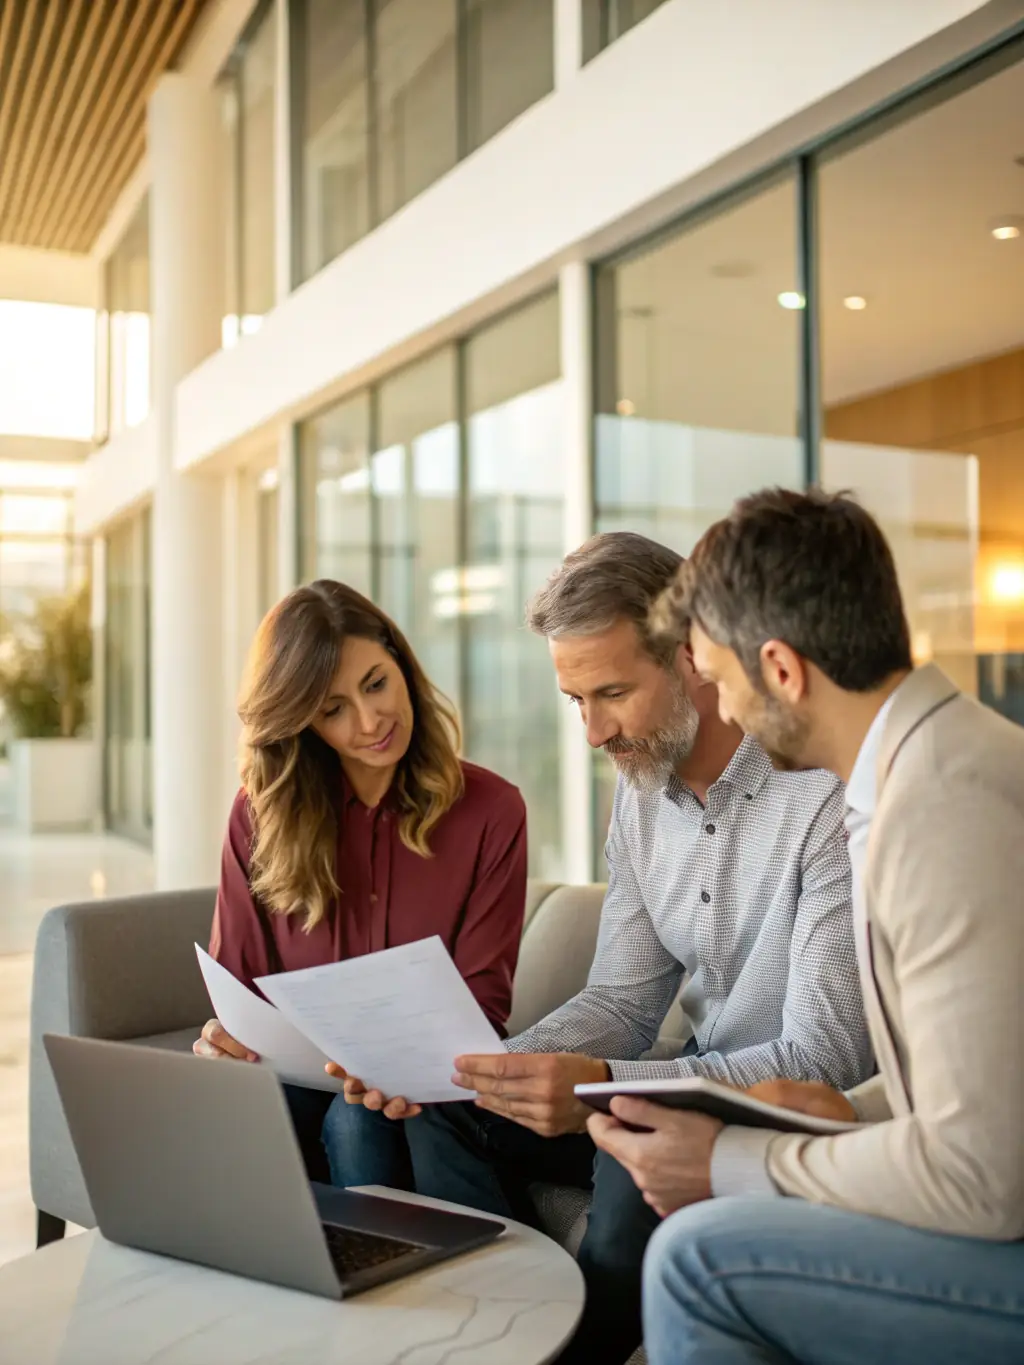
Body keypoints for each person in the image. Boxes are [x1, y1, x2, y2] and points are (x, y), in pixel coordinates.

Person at [392, 532, 872, 1365]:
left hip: (789, 1112)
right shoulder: (641, 789)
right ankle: (484, 1338)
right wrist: (486, 1068)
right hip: (674, 1084)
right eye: (575, 700)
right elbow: (621, 1001)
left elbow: (821, 1055)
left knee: (629, 1163)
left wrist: (602, 1086)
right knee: (449, 1117)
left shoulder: (823, 793)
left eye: (611, 692)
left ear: (692, 656)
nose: (592, 732)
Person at [588, 489, 1024, 1365]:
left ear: (782, 670)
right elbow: (980, 1085)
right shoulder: (926, 766)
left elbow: (982, 1178)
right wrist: (843, 1112)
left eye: (718, 678)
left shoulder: (938, 807)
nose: (723, 710)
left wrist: (727, 1167)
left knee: (694, 1260)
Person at [193, 579, 527, 1193]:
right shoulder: (259, 813)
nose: (370, 721)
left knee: (356, 1121)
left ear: (400, 662)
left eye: (376, 683)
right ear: (301, 721)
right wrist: (224, 1039)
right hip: (294, 1081)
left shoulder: (491, 811)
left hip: (427, 1085)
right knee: (221, 1114)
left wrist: (389, 1063)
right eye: (333, 708)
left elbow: (482, 1003)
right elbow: (237, 986)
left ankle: (376, 1284)